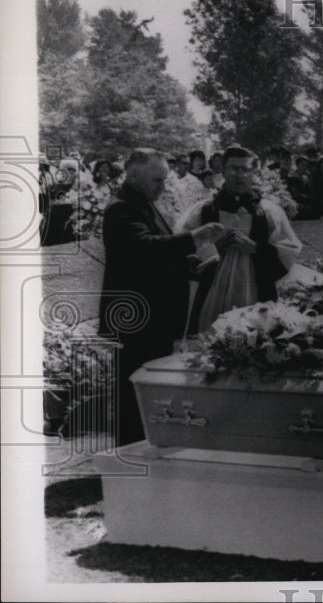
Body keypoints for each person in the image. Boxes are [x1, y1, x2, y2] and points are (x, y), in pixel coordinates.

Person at [99, 148, 226, 446]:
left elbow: (148, 257)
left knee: (150, 383)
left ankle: (148, 444)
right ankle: (131, 450)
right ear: (134, 176)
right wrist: (195, 238)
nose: (163, 186)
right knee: (136, 386)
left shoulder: (142, 201)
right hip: (138, 316)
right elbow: (143, 248)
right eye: (157, 180)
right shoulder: (121, 207)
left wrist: (184, 264)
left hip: (152, 313)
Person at [176, 145, 302, 334]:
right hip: (213, 289)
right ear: (223, 171)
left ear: (253, 173)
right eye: (233, 168)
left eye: (245, 169)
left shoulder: (269, 211)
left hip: (256, 287)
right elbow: (182, 249)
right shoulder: (203, 211)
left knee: (256, 337)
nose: (239, 175)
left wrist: (256, 249)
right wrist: (214, 249)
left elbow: (289, 250)